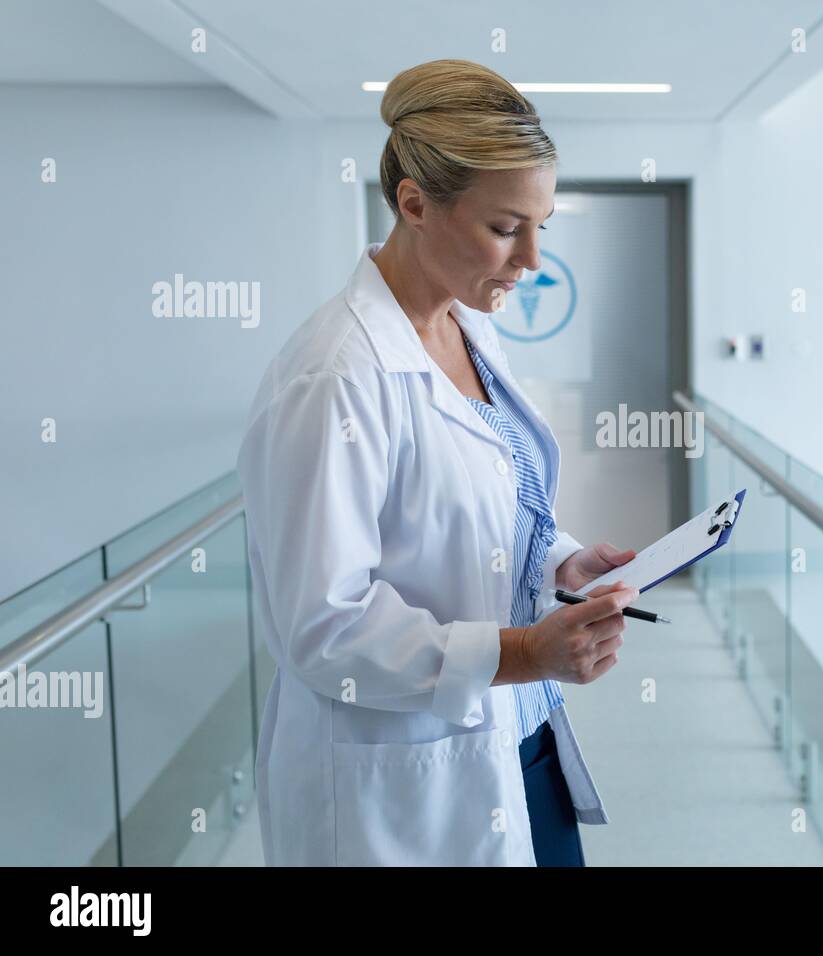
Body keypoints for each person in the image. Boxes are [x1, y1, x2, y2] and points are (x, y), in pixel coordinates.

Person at [236, 58, 639, 866]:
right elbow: (325, 627)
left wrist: (561, 559)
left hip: (521, 742)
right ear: (414, 204)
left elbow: (485, 495)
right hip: (411, 783)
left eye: (541, 226)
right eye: (504, 227)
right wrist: (528, 652)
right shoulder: (335, 378)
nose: (530, 259)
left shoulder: (466, 328)